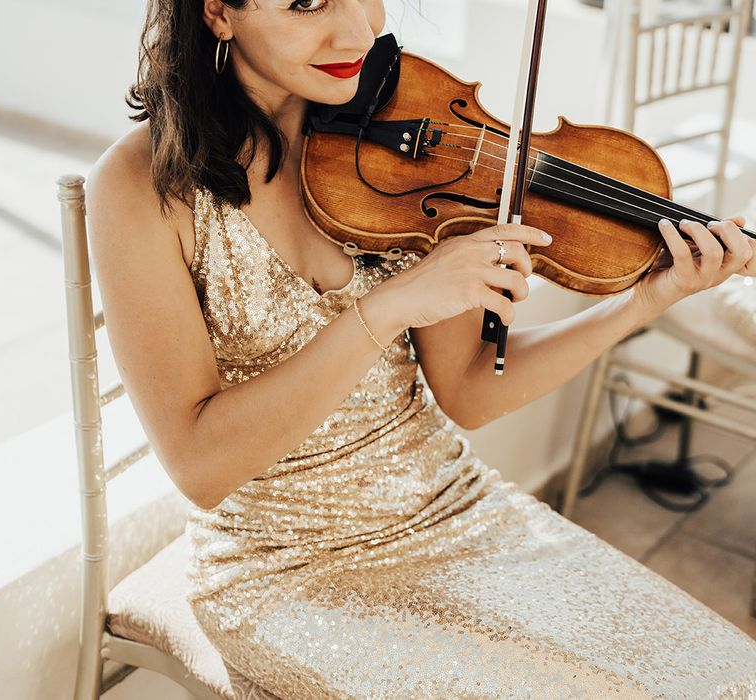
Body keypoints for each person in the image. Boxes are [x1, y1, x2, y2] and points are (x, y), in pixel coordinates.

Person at [86, 0, 756, 697]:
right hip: (286, 574)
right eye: (307, 3)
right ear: (219, 12)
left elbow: (472, 390)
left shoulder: (408, 133)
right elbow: (200, 465)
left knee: (725, 678)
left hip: (455, 510)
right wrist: (395, 303)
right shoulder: (142, 187)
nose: (359, 31)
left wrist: (646, 301)